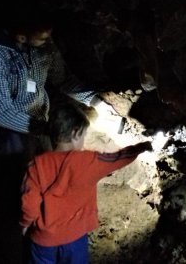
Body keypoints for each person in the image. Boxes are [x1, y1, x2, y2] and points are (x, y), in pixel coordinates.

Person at [19, 103, 152, 263]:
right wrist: (140, 147)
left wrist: (25, 224)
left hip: (43, 240)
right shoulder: (89, 161)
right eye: (84, 135)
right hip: (75, 238)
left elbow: (29, 202)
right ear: (76, 133)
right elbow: (117, 159)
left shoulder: (36, 165)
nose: (83, 141)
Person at [0, 12, 116, 160]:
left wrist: (95, 101)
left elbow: (63, 80)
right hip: (9, 130)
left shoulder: (44, 47)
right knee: (23, 173)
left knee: (49, 166)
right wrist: (49, 130)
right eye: (43, 38)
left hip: (41, 120)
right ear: (22, 37)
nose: (49, 40)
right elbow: (2, 114)